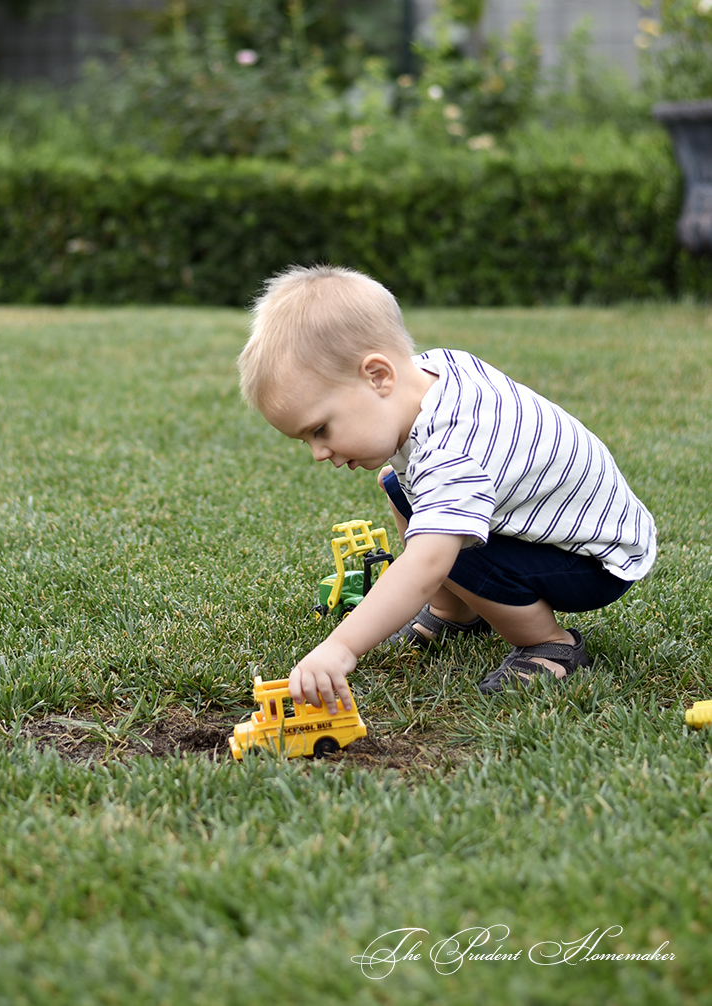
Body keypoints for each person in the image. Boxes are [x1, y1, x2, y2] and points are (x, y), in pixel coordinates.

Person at [237, 265, 656, 714]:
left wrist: (341, 647)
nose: (319, 452)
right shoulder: (433, 371)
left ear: (378, 375)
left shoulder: (454, 450)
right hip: (566, 528)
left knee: (446, 549)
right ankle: (454, 612)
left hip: (594, 563)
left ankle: (549, 645)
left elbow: (425, 564)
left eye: (320, 429)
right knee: (399, 485)